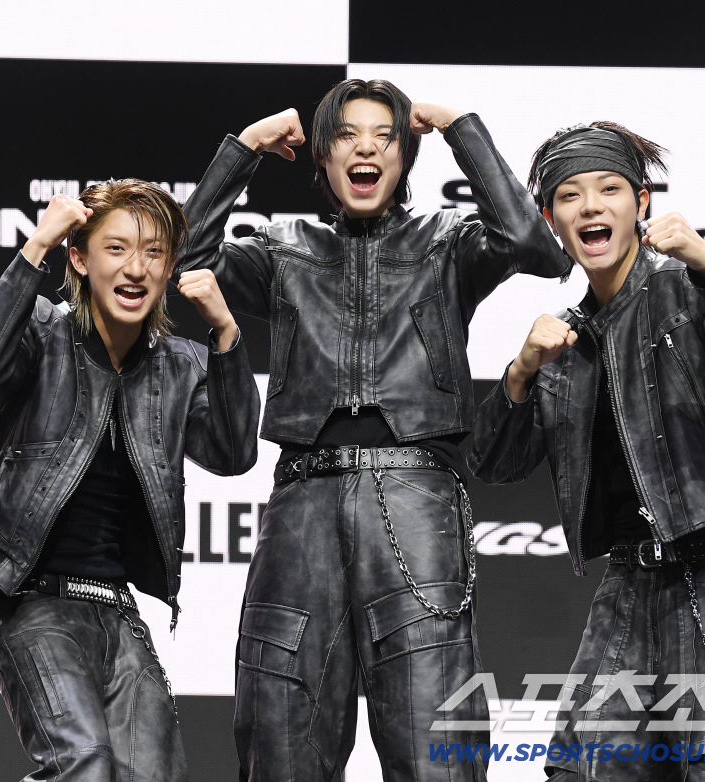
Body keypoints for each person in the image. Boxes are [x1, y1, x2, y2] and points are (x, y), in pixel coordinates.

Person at [177, 78, 572, 781]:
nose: (365, 148)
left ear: (404, 157)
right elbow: (183, 263)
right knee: (282, 740)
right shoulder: (281, 248)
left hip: (415, 498)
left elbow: (536, 247)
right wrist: (246, 147)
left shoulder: (447, 243)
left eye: (384, 137)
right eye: (346, 135)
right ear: (323, 159)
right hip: (303, 504)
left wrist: (458, 125)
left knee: (433, 743)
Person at [466, 122, 705, 782]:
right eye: (569, 195)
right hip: (628, 583)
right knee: (584, 769)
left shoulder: (686, 287)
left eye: (609, 189)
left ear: (641, 203)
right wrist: (521, 370)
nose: (590, 206)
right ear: (551, 221)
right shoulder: (564, 342)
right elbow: (493, 465)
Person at [0, 179, 260, 781]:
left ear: (170, 267)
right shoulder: (42, 331)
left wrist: (226, 334)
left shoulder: (181, 366)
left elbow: (232, 452)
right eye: (116, 248)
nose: (135, 268)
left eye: (153, 252)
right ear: (79, 258)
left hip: (115, 608)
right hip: (25, 596)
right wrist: (37, 243)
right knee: (85, 764)